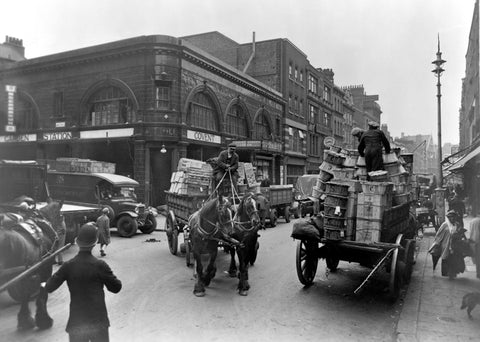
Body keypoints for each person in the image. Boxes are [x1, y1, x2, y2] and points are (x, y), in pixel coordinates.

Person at [44, 223, 122, 342]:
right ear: (95, 243)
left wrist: (42, 283)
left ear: (78, 242)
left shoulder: (68, 266)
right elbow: (116, 288)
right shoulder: (100, 265)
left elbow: (49, 287)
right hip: (98, 322)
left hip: (77, 322)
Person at [428, 210, 468, 279]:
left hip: (455, 245)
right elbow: (439, 235)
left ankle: (453, 272)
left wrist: (463, 238)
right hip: (446, 245)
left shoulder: (457, 224)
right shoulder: (445, 225)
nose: (452, 218)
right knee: (447, 258)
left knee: (454, 258)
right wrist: (436, 243)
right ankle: (447, 272)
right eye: (451, 217)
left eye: (454, 217)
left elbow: (461, 233)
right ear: (448, 218)